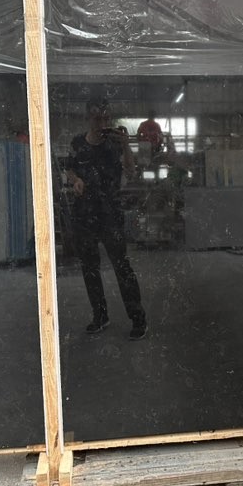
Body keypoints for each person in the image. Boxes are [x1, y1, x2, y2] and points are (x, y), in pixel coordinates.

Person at [64, 97, 148, 340]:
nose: (102, 123)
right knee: (89, 268)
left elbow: (131, 171)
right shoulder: (77, 143)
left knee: (122, 267)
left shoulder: (114, 143)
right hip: (84, 215)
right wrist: (76, 180)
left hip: (110, 214)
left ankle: (138, 318)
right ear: (88, 118)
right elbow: (69, 169)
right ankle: (100, 316)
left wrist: (126, 145)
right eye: (97, 118)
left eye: (106, 118)